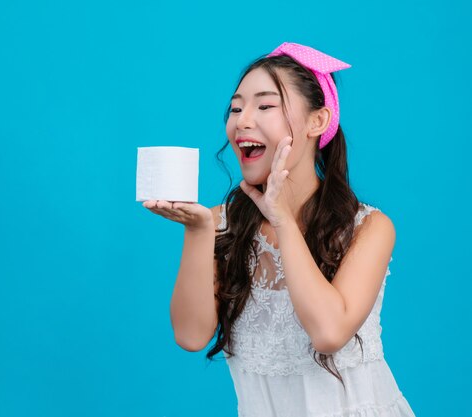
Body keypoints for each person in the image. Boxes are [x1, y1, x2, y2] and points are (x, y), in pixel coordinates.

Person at [142, 42, 416, 416]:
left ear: (317, 121)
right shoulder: (222, 223)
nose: (242, 120)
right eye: (236, 108)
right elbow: (190, 336)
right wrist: (198, 232)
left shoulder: (368, 227)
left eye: (265, 106)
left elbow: (329, 333)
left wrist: (282, 218)